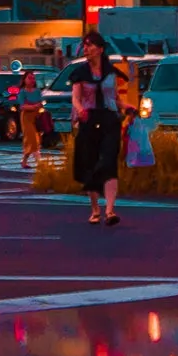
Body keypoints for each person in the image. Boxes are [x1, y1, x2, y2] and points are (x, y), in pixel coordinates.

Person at [69, 32, 123, 225]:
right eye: (85, 46)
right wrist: (80, 109)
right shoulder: (80, 73)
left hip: (109, 118)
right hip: (89, 118)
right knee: (90, 163)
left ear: (100, 49)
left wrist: (125, 108)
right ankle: (95, 210)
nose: (87, 49)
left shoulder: (110, 71)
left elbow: (115, 96)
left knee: (109, 161)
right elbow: (75, 97)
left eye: (90, 46)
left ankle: (110, 211)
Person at [18, 68, 43, 172]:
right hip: (26, 118)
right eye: (29, 78)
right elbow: (22, 106)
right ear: (24, 80)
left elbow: (41, 103)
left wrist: (37, 107)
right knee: (32, 138)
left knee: (34, 139)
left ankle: (24, 161)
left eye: (33, 78)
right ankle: (39, 161)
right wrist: (33, 107)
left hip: (36, 117)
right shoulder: (22, 92)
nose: (31, 80)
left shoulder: (37, 91)